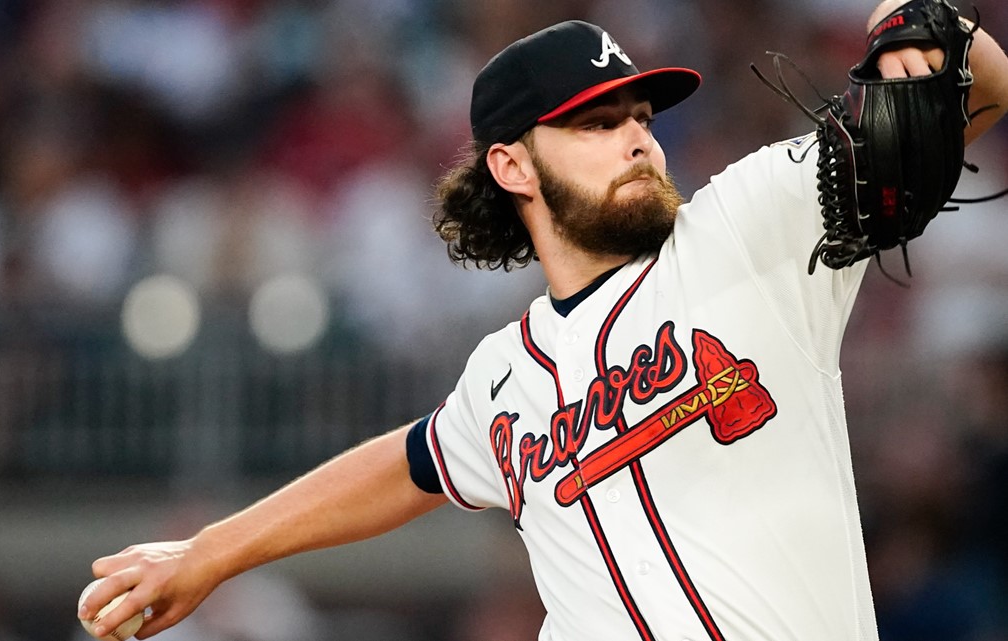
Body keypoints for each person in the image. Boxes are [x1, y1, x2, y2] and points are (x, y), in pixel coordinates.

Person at [79, 2, 1008, 640]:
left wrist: (939, 36)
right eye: (595, 123)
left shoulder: (750, 226)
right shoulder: (503, 373)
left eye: (640, 114)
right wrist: (213, 552)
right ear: (514, 168)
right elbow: (410, 464)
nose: (639, 135)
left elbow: (979, 84)